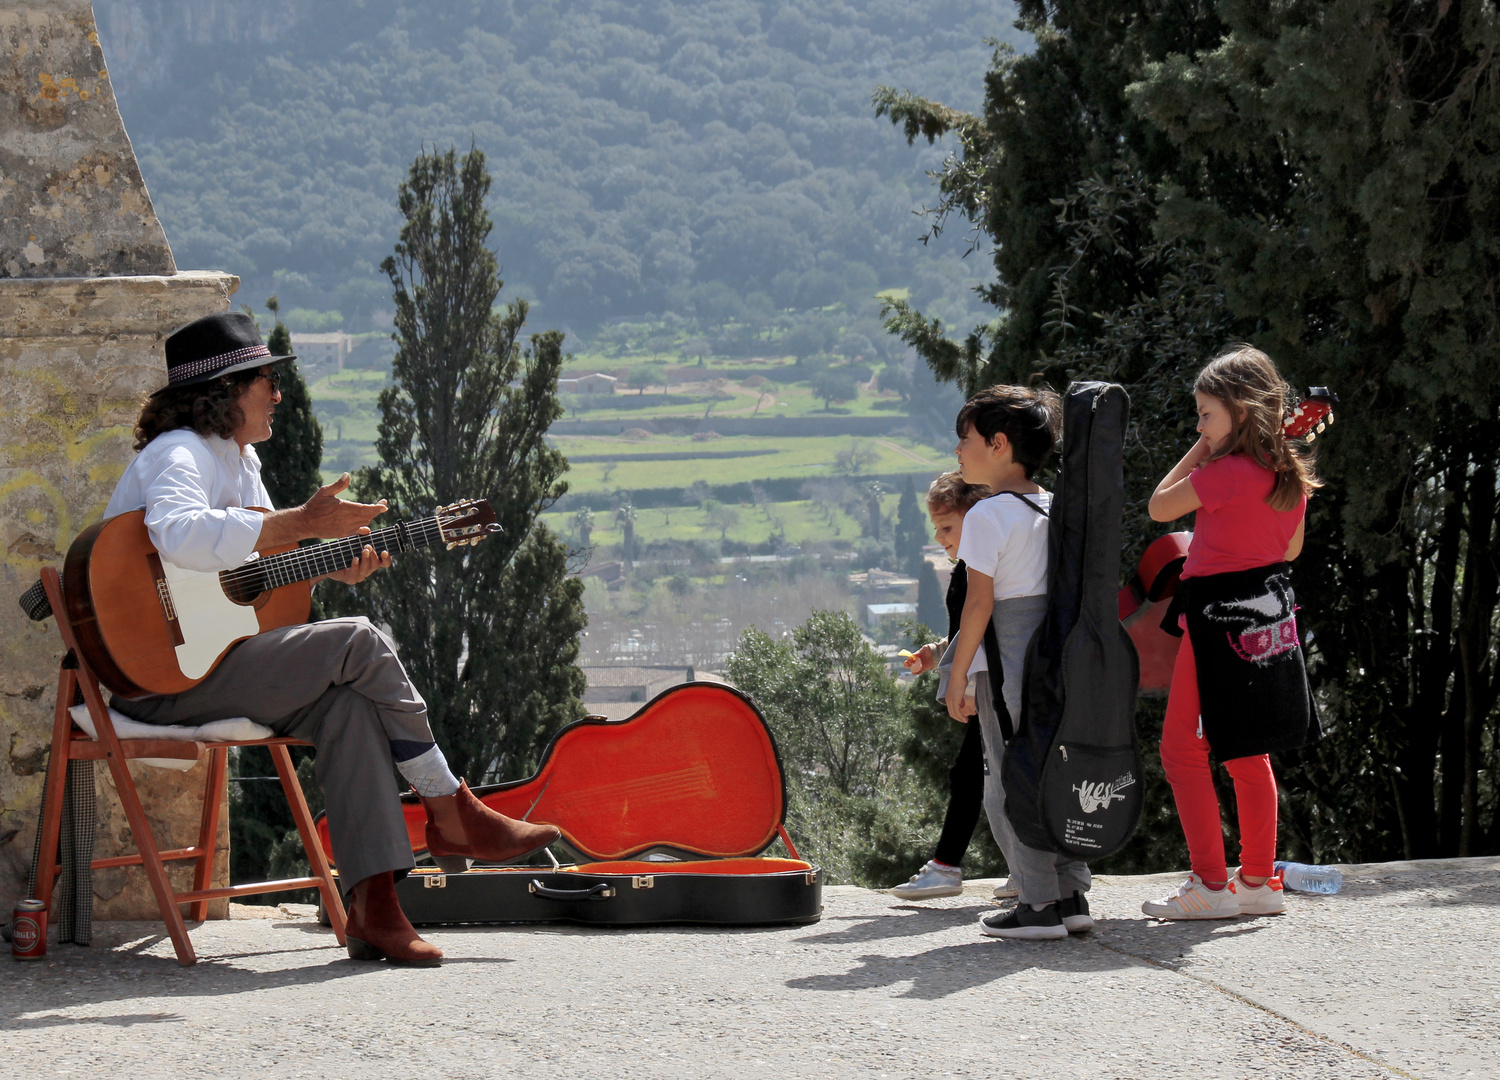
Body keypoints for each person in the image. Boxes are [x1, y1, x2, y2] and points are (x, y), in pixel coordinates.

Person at [103, 311, 560, 966]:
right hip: (156, 677)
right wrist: (300, 524)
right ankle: (449, 805)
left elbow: (251, 588)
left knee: (348, 704)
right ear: (227, 389)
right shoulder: (178, 452)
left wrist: (330, 561)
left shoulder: (241, 461)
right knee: (361, 642)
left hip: (213, 667)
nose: (279, 394)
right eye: (267, 380)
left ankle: (378, 910)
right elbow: (179, 536)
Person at [1140, 345, 1321, 920]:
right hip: (1269, 617)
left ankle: (1210, 887)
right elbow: (1288, 550)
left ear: (1240, 412)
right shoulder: (1288, 478)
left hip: (1215, 620)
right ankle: (1259, 882)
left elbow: (1159, 506)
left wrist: (1203, 450)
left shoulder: (1224, 473)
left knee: (1181, 751)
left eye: (1205, 414)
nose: (1199, 425)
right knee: (1249, 750)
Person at [945, 386, 1092, 941]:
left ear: (999, 444)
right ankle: (1071, 893)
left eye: (967, 439)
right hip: (1057, 659)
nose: (959, 451)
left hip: (1008, 658)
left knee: (1009, 778)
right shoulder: (1054, 506)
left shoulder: (987, 515)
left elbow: (980, 604)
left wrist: (957, 675)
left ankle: (1036, 905)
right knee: (1055, 772)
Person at [892, 472, 1017, 901]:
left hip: (988, 686)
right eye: (937, 528)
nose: (939, 537)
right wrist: (937, 652)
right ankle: (1025, 869)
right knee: (988, 776)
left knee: (975, 776)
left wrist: (961, 682)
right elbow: (971, 629)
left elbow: (985, 628)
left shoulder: (976, 572)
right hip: (989, 683)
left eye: (947, 527)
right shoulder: (971, 569)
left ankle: (948, 866)